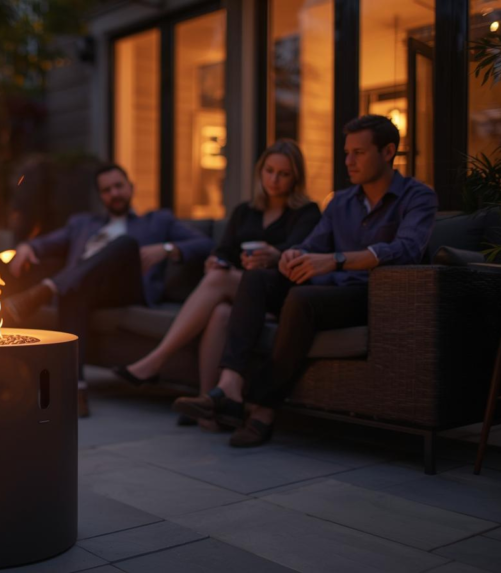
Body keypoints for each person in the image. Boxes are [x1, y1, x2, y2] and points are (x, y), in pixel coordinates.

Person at [172, 115, 438, 447]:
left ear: (388, 152)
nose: (349, 162)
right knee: (256, 279)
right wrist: (292, 254)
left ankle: (263, 409)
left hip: (371, 295)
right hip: (328, 288)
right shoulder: (341, 202)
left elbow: (407, 249)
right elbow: (312, 244)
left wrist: (337, 259)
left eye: (358, 153)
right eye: (346, 153)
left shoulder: (418, 196)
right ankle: (229, 386)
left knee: (302, 300)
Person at [113, 141, 321, 431]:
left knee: (218, 280)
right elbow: (224, 250)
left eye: (284, 174)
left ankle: (155, 361)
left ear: (296, 177)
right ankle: (208, 404)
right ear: (260, 172)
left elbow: (301, 250)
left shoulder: (307, 212)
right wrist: (215, 260)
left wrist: (274, 255)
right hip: (243, 295)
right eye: (270, 171)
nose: (274, 179)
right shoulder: (245, 211)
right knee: (220, 311)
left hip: (279, 293)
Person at [4, 163, 215, 416]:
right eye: (106, 190)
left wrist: (168, 249)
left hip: (127, 288)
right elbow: (44, 243)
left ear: (131, 188)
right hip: (86, 288)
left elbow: (206, 243)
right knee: (73, 291)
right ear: (100, 196)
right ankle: (76, 389)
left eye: (118, 186)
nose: (114, 193)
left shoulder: (157, 221)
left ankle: (48, 289)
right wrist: (26, 247)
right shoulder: (82, 223)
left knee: (126, 243)